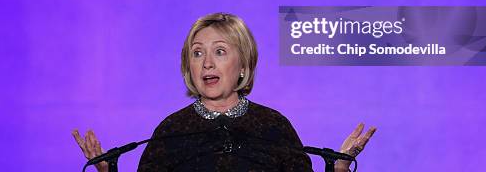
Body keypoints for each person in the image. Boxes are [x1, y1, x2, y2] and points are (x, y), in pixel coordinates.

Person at [73, 13, 376, 171]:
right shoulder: (171, 131)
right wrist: (105, 169)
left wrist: (338, 169)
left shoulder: (273, 127)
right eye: (197, 53)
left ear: (243, 64)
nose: (206, 62)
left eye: (219, 51)